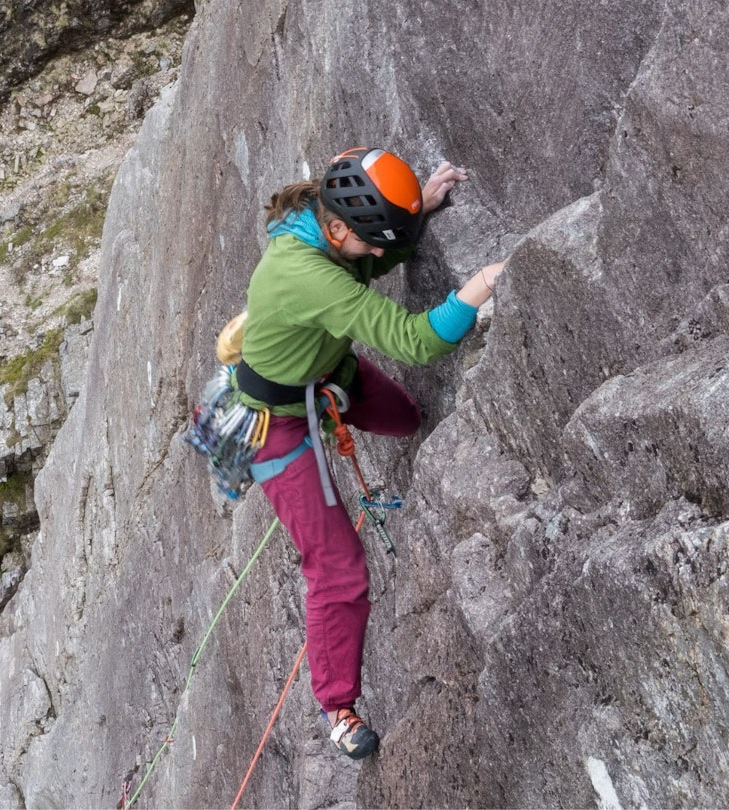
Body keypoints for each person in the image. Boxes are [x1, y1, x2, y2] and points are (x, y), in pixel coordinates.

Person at [234, 147, 505, 760]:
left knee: (407, 419)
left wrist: (415, 213)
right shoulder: (307, 274)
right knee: (337, 566)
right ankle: (338, 708)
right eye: (373, 240)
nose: (383, 253)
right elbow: (415, 342)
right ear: (336, 228)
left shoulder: (326, 223)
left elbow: (370, 254)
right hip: (275, 426)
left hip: (329, 377)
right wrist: (482, 285)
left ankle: (337, 408)